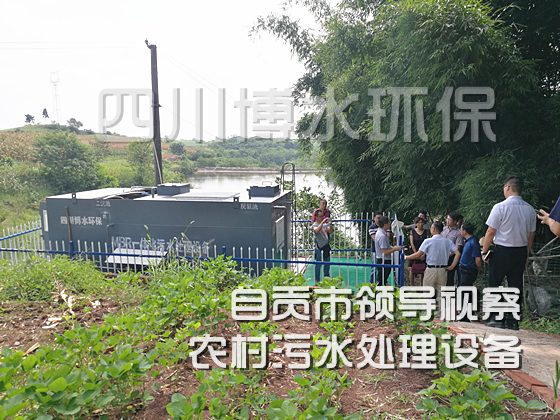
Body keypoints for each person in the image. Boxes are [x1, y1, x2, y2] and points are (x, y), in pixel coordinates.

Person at [482, 175, 536, 330]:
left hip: (502, 251)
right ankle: (513, 321)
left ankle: (497, 318)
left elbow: (490, 232)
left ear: (507, 187)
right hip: (520, 252)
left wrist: (484, 251)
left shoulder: (500, 207)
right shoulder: (530, 210)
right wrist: (526, 254)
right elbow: (531, 235)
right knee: (515, 286)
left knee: (495, 284)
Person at [405, 221, 460, 315]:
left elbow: (418, 254)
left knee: (427, 292)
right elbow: (457, 254)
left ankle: (427, 313)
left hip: (431, 269)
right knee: (441, 293)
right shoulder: (448, 241)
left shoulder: (428, 241)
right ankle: (441, 314)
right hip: (443, 270)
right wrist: (452, 266)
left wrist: (406, 257)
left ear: (433, 229)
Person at [457, 222, 481, 322]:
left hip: (468, 270)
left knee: (465, 292)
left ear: (465, 231)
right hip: (463, 269)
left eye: (461, 229)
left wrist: (478, 269)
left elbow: (477, 259)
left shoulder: (473, 243)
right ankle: (464, 313)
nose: (460, 231)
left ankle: (465, 315)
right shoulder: (467, 241)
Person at [374, 216, 404, 286]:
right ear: (385, 225)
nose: (390, 224)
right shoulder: (382, 236)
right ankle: (378, 292)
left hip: (383, 260)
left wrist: (393, 247)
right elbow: (385, 252)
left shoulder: (380, 233)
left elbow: (386, 246)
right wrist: (396, 249)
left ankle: (380, 291)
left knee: (382, 280)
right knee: (381, 281)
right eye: (389, 222)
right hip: (384, 261)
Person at [442, 211, 464, 287]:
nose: (447, 221)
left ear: (455, 222)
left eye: (450, 220)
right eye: (447, 219)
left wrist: (448, 254)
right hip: (441, 255)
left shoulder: (458, 233)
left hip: (451, 256)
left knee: (449, 277)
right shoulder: (443, 229)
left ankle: (449, 292)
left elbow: (457, 247)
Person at [313, 210, 334, 283]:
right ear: (316, 217)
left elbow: (330, 231)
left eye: (323, 216)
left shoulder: (325, 224)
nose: (323, 218)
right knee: (318, 264)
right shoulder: (315, 225)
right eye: (321, 216)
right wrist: (322, 223)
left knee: (327, 263)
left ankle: (326, 277)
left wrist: (330, 225)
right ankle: (317, 279)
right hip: (319, 247)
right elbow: (316, 231)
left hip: (326, 246)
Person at [409, 216, 428, 286]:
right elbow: (412, 243)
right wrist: (416, 254)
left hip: (423, 253)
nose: (420, 224)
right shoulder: (412, 232)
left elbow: (427, 244)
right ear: (415, 224)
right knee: (412, 269)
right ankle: (412, 285)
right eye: (418, 223)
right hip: (415, 251)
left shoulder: (426, 232)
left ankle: (421, 284)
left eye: (421, 222)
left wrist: (423, 254)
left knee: (423, 268)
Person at [368, 211, 383, 283]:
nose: (379, 219)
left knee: (382, 267)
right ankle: (372, 283)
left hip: (384, 250)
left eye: (381, 218)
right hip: (375, 250)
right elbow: (374, 238)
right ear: (374, 218)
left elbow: (388, 236)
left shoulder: (384, 226)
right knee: (373, 268)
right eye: (378, 218)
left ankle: (381, 282)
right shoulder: (372, 227)